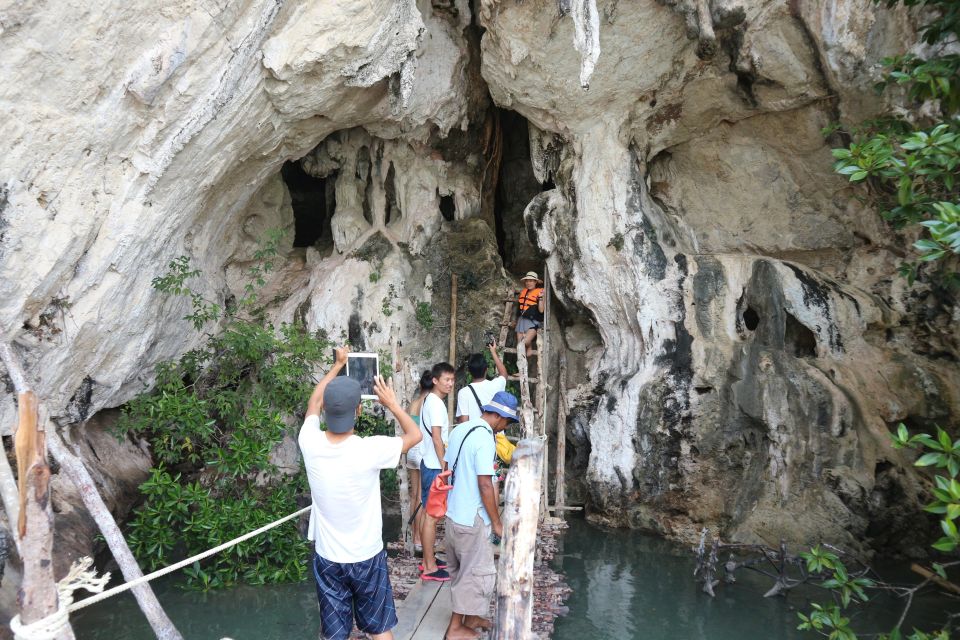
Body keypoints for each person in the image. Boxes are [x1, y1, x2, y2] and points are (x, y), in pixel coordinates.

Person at [299, 347, 422, 640]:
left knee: (334, 634)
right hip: (366, 557)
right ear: (359, 410)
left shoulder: (309, 443)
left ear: (327, 411)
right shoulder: (370, 449)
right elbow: (415, 436)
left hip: (328, 559)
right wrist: (392, 404)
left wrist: (336, 365)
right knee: (379, 628)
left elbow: (313, 402)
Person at [443, 391, 519, 640]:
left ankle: (471, 617)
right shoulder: (485, 439)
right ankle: (455, 629)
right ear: (497, 416)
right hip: (472, 519)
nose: (504, 428)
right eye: (506, 422)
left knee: (460, 570)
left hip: (453, 513)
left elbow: (447, 470)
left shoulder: (459, 430)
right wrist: (497, 522)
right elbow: (485, 484)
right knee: (473, 573)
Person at [418, 361, 456, 581]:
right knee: (432, 517)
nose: (450, 384)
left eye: (452, 380)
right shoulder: (436, 404)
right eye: (446, 380)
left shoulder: (430, 401)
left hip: (429, 463)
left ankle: (427, 560)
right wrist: (445, 465)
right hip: (434, 466)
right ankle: (431, 567)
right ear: (435, 381)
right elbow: (436, 437)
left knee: (427, 514)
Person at [455, 340, 515, 463]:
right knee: (491, 474)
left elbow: (464, 422)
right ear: (486, 369)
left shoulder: (464, 393)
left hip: (473, 441)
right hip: (493, 440)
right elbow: (504, 373)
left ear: (470, 372)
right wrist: (493, 351)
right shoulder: (495, 385)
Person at [405, 370, 433, 550]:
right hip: (423, 450)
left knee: (414, 495)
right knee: (424, 497)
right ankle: (422, 539)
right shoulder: (430, 404)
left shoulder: (413, 404)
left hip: (411, 451)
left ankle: (415, 537)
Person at [514, 271, 545, 357]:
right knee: (519, 344)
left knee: (524, 342)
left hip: (533, 321)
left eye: (531, 281)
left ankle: (529, 346)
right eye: (527, 281)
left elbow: (541, 310)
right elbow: (520, 308)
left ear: (535, 282)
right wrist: (515, 321)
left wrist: (541, 298)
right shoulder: (523, 292)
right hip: (522, 320)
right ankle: (529, 349)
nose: (528, 283)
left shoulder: (540, 292)